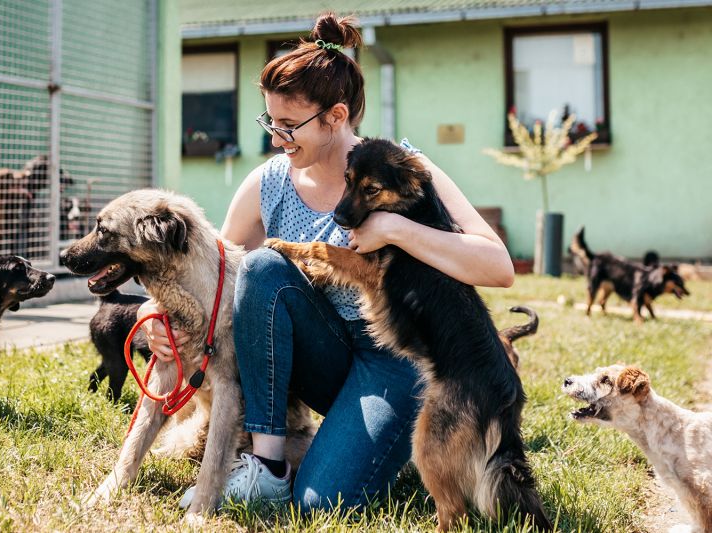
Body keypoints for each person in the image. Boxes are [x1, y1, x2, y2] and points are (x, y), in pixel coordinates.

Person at [138, 12, 514, 514]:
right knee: (262, 268)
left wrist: (396, 228)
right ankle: (268, 465)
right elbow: (215, 277)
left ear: (336, 117)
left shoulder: (401, 168)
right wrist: (151, 319)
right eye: (270, 122)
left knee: (322, 502)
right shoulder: (268, 182)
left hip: (395, 362)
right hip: (320, 355)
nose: (276, 137)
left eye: (290, 125)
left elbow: (498, 266)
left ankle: (375, 441)